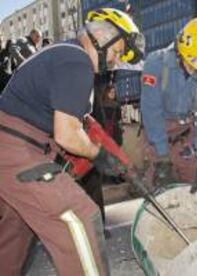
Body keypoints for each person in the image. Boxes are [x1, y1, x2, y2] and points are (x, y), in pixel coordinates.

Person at [0, 8, 144, 275]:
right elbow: (67, 134)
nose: (113, 62)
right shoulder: (77, 60)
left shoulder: (63, 53)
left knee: (16, 230)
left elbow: (76, 125)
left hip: (12, 145)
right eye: (115, 52)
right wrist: (99, 155)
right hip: (15, 147)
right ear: (101, 35)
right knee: (78, 214)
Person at [141, 16, 197, 194]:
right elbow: (151, 112)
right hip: (157, 132)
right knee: (160, 191)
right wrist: (163, 158)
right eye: (193, 64)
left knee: (194, 189)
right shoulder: (155, 64)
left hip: (184, 131)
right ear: (181, 51)